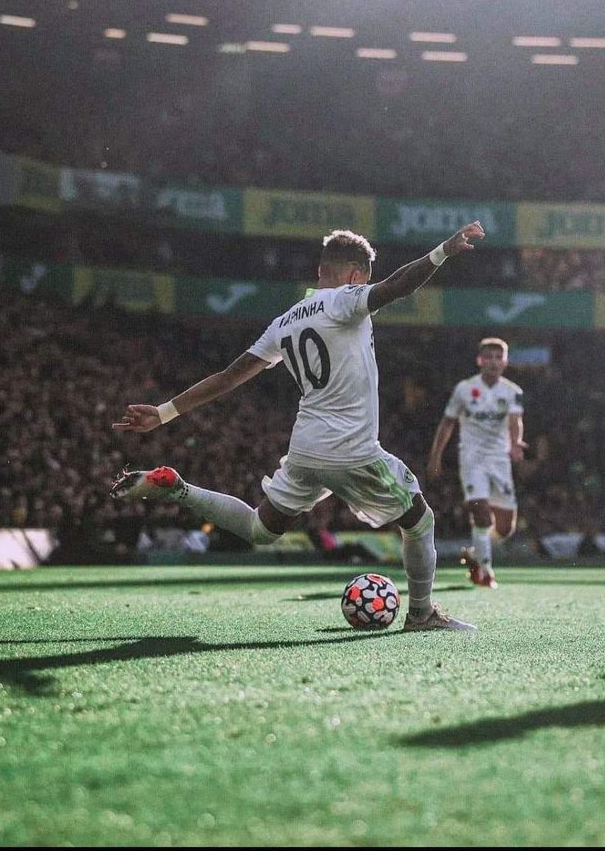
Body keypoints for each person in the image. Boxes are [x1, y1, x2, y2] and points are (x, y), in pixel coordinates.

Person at [110, 221, 485, 632]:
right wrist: (442, 251)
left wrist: (163, 413)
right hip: (352, 448)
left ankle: (177, 487)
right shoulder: (345, 300)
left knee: (260, 527)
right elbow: (398, 287)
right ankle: (421, 613)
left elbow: (228, 377)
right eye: (365, 280)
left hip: (306, 448)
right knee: (419, 519)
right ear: (355, 276)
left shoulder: (285, 320)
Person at [427, 337, 526, 588]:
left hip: (499, 460)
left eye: (498, 357)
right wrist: (436, 455)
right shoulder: (464, 389)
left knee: (505, 528)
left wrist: (515, 444)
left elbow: (515, 421)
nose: (493, 362)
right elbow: (448, 422)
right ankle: (484, 571)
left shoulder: (512, 392)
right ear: (479, 360)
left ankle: (475, 553)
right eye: (488, 357)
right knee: (481, 513)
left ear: (505, 362)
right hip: (472, 458)